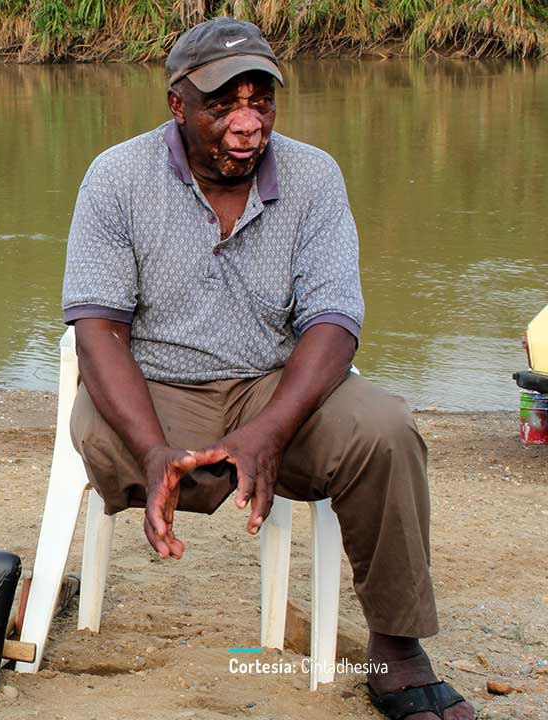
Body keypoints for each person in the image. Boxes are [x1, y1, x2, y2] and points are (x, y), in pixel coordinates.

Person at [60, 17, 473, 720]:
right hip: (155, 388)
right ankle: (166, 466)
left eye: (262, 102)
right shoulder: (117, 177)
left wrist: (272, 429)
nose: (248, 124)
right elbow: (98, 330)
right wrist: (155, 448)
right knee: (105, 428)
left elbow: (334, 321)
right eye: (224, 104)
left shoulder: (315, 176)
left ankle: (397, 651)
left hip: (277, 389)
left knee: (386, 429)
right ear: (178, 104)